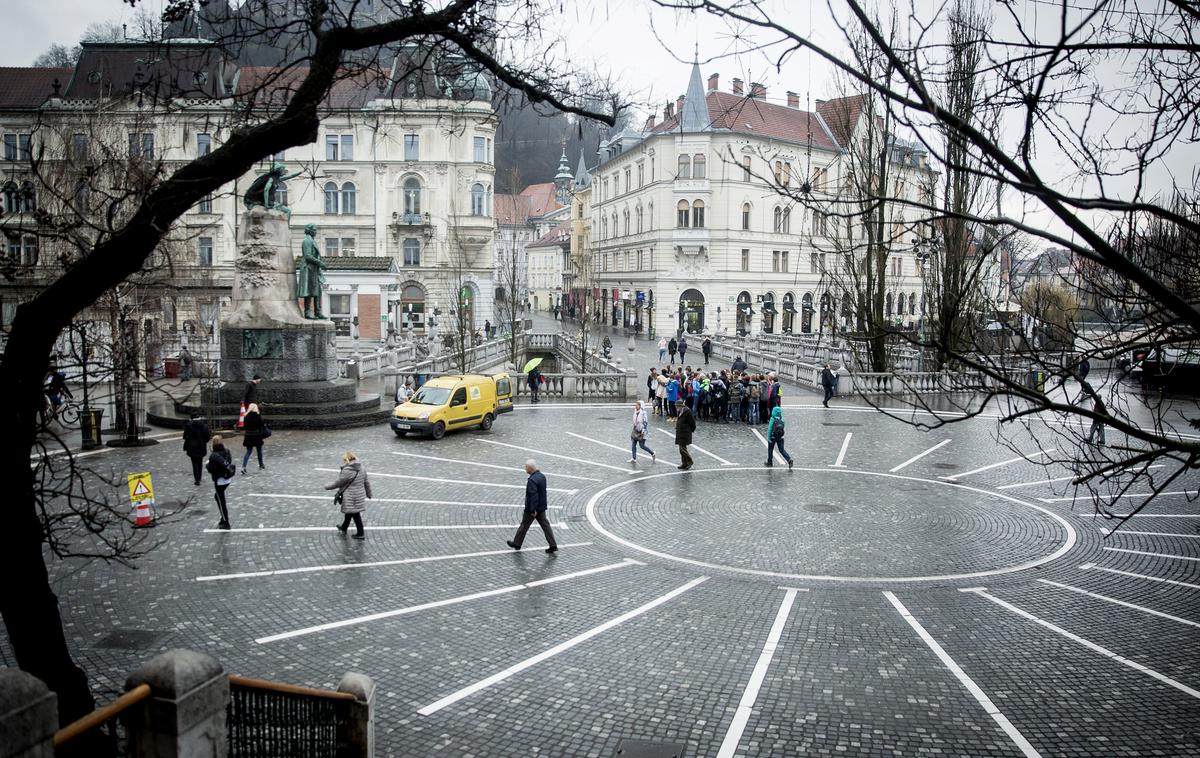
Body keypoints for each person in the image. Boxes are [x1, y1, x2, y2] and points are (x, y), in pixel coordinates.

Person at [507, 459, 558, 553]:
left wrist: (532, 509)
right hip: (541, 507)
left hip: (532, 509)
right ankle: (553, 545)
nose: (525, 468)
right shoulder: (542, 476)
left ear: (530, 468)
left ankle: (517, 543)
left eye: (526, 467)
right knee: (546, 526)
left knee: (524, 525)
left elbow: (533, 495)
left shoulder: (532, 480)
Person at [326, 452, 372, 539]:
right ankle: (344, 527)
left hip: (351, 496)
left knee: (355, 514)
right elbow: (366, 482)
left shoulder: (348, 470)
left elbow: (339, 482)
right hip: (359, 495)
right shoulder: (362, 468)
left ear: (347, 460)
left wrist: (327, 487)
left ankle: (360, 533)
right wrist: (369, 493)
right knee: (350, 511)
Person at [206, 435, 235, 530]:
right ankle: (223, 518)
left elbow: (211, 469)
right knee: (217, 497)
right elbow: (228, 462)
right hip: (228, 479)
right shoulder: (227, 451)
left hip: (219, 481)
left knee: (221, 501)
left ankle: (225, 521)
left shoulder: (213, 456)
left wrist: (207, 465)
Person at [182, 412, 211, 486]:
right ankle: (199, 477)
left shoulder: (188, 425)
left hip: (192, 447)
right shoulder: (204, 426)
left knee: (194, 463)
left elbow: (185, 436)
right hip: (201, 446)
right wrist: (203, 441)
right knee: (200, 462)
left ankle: (197, 479)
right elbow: (207, 437)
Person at [241, 403, 268, 473]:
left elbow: (245, 427)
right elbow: (262, 424)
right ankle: (261, 464)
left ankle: (243, 466)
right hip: (257, 436)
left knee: (248, 452)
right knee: (259, 451)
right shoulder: (258, 416)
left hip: (248, 436)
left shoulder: (246, 417)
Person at [674, 400, 696, 470]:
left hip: (685, 432)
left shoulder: (687, 412)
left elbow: (692, 422)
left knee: (682, 449)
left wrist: (691, 430)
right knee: (681, 449)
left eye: (677, 406)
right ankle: (684, 463)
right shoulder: (679, 411)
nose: (676, 407)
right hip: (680, 432)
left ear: (681, 406)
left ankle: (690, 461)